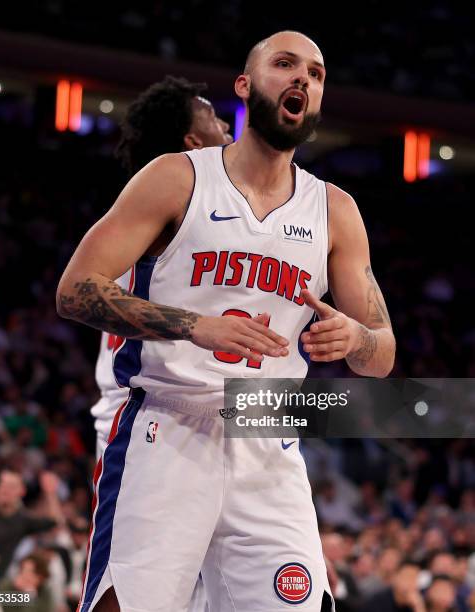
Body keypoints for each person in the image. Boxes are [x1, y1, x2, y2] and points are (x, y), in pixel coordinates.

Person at [57, 30, 395, 612]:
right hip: (166, 426)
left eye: (314, 74)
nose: (302, 80)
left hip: (266, 433)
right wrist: (193, 324)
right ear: (244, 85)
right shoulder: (176, 176)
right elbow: (75, 289)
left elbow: (382, 355)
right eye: (284, 64)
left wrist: (357, 338)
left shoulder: (336, 210)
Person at [91, 75, 232, 460]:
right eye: (216, 119)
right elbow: (76, 291)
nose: (228, 128)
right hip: (148, 415)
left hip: (219, 414)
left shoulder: (223, 210)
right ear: (193, 141)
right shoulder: (166, 207)